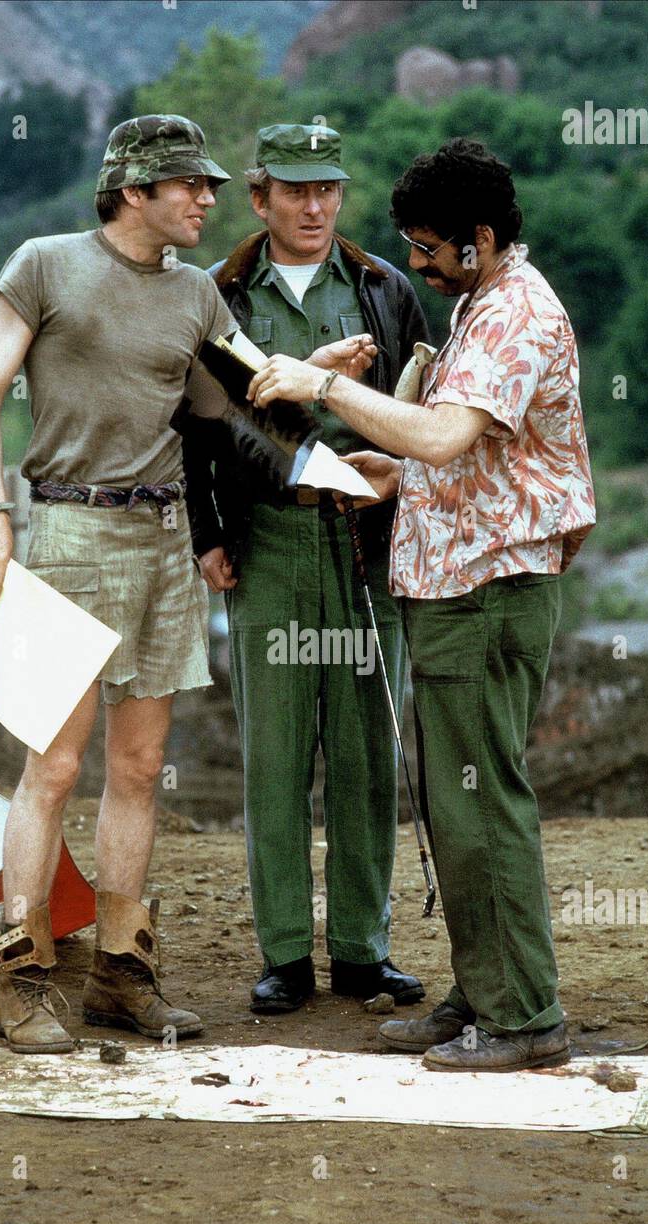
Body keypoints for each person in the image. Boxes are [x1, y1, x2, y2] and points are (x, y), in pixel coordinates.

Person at [245, 138, 596, 1069]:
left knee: (484, 806)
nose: (417, 264)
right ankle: (481, 993)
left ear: (480, 239)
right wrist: (398, 474)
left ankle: (525, 1017)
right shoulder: (484, 305)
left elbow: (446, 436)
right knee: (453, 806)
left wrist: (326, 387)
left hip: (487, 595)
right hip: (453, 590)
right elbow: (467, 453)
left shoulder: (518, 312)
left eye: (430, 247)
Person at [0, 116, 236, 1054]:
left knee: (133, 768)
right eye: (190, 185)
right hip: (68, 531)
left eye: (209, 186)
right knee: (55, 766)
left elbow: (232, 405)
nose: (207, 199)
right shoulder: (44, 263)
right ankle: (22, 977)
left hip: (164, 540)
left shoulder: (198, 294)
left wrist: (313, 378)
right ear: (133, 191)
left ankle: (121, 971)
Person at [184, 120, 429, 1013]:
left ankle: (363, 953)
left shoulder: (381, 288)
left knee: (367, 752)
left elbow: (420, 414)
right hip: (271, 541)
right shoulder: (220, 294)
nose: (315, 205)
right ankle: (286, 954)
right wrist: (206, 533)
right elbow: (202, 429)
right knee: (277, 757)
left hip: (364, 542)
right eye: (295, 190)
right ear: (261, 198)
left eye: (328, 188)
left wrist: (400, 505)